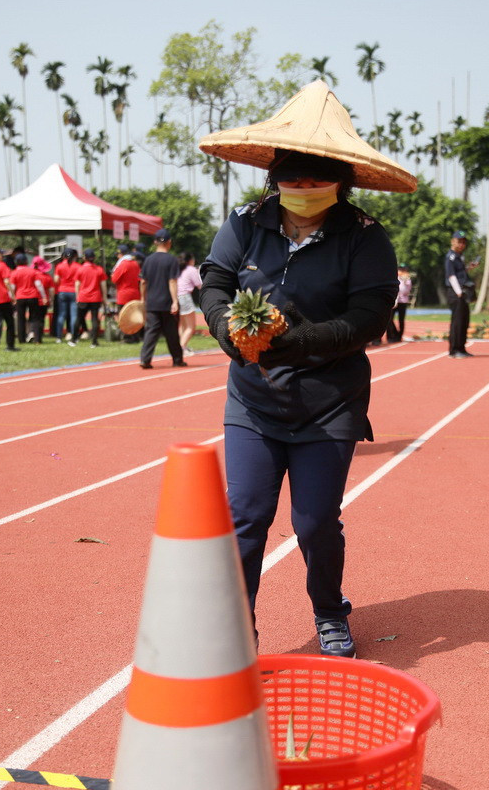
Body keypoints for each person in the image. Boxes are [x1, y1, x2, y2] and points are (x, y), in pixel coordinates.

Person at [197, 80, 410, 658]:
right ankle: (238, 629)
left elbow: (370, 315)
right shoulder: (246, 221)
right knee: (245, 518)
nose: (304, 189)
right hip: (253, 400)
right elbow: (214, 281)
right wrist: (224, 327)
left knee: (315, 523)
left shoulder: (365, 237)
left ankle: (328, 609)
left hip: (328, 402)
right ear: (274, 179)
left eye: (318, 181)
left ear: (341, 182)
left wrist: (302, 342)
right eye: (292, 179)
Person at [138, 229, 186, 369]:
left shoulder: (148, 260)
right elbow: (172, 281)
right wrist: (175, 301)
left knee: (151, 331)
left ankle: (145, 359)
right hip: (166, 302)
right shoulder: (171, 260)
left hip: (152, 302)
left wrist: (143, 298)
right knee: (171, 332)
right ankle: (177, 360)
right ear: (169, 242)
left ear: (155, 242)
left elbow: (143, 282)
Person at [444, 230, 476, 358]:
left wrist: (469, 267)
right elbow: (451, 276)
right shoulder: (451, 257)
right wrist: (458, 292)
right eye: (459, 241)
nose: (462, 244)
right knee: (457, 322)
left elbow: (460, 273)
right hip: (456, 292)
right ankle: (454, 349)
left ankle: (461, 348)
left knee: (464, 320)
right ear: (453, 241)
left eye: (463, 242)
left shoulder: (459, 256)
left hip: (462, 292)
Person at [74, 248, 108, 347]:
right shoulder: (99, 269)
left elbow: (77, 285)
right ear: (94, 258)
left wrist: (77, 296)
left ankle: (74, 339)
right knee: (94, 319)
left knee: (79, 318)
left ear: (84, 257)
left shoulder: (80, 269)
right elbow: (103, 285)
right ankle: (94, 341)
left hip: (83, 297)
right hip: (95, 298)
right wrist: (104, 298)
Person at [10, 253, 47, 344]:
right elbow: (39, 285)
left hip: (20, 297)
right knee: (35, 318)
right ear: (26, 261)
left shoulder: (14, 273)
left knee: (21, 318)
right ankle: (37, 339)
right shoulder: (32, 271)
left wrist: (12, 297)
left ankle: (21, 339)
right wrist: (44, 296)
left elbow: (12, 287)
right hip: (33, 296)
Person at [111, 243, 143, 343]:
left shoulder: (123, 264)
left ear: (120, 254)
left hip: (124, 294)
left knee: (123, 317)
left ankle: (127, 337)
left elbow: (114, 279)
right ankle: (136, 336)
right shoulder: (135, 263)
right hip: (135, 293)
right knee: (134, 316)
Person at [176, 251, 204, 356]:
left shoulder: (178, 269)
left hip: (176, 297)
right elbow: (199, 284)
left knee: (182, 325)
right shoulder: (191, 269)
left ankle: (182, 346)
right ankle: (181, 348)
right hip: (185, 297)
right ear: (190, 260)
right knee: (191, 326)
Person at [53, 248, 79, 344]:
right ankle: (73, 335)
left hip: (62, 291)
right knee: (74, 316)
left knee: (61, 315)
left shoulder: (59, 266)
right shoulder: (77, 266)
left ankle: (59, 337)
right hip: (74, 292)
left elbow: (56, 280)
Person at [32, 257, 55, 344]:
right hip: (44, 300)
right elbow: (51, 290)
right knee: (41, 319)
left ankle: (34, 335)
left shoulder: (32, 275)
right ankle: (39, 337)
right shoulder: (47, 277)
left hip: (33, 299)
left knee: (34, 319)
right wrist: (51, 300)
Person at [390, 264, 413, 342]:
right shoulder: (395, 278)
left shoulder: (407, 280)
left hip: (403, 302)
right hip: (394, 301)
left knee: (401, 320)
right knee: (389, 319)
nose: (400, 272)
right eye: (399, 270)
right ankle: (393, 334)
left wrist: (406, 281)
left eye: (402, 270)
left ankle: (399, 336)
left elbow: (407, 291)